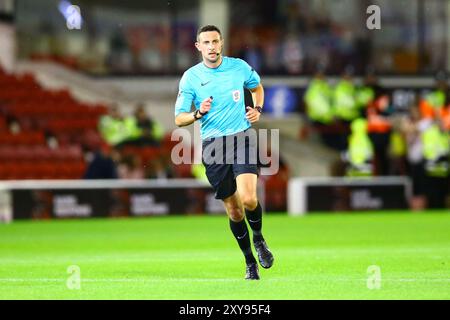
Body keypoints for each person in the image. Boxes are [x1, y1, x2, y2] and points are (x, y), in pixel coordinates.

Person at [174, 25, 274, 280]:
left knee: (249, 198)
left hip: (242, 138)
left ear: (221, 43)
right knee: (234, 210)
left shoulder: (238, 66)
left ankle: (260, 239)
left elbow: (257, 87)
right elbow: (179, 119)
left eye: (215, 41)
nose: (211, 46)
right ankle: (249, 261)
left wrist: (258, 109)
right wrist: (198, 113)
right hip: (214, 145)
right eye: (205, 42)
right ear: (198, 46)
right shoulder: (190, 78)